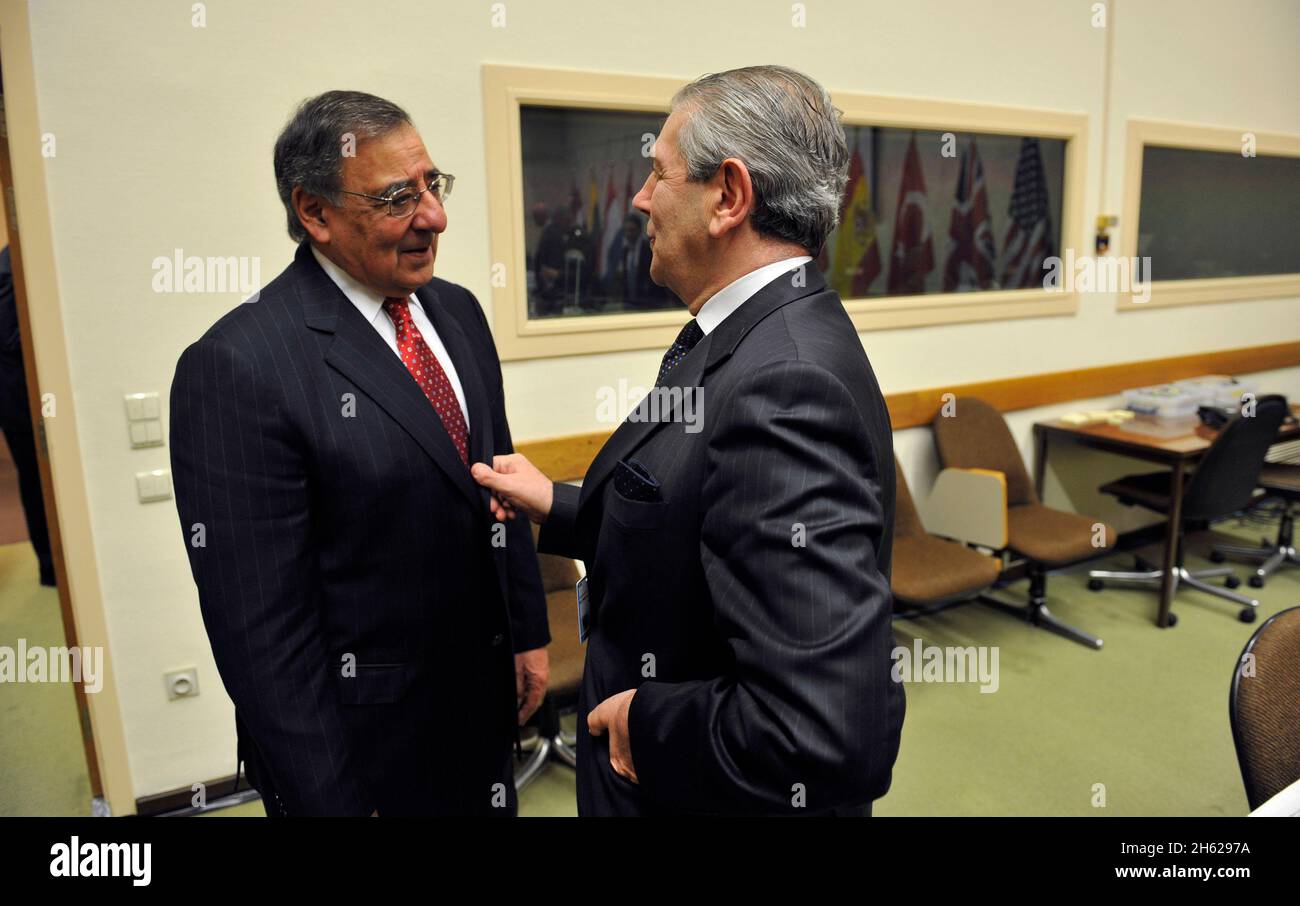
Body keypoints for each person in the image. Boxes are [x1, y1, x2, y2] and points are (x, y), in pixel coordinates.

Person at [473, 66, 904, 816]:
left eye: (657, 172)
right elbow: (694, 515)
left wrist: (644, 721)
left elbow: (828, 731)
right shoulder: (754, 331)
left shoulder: (786, 384)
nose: (639, 198)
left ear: (728, 197)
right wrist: (560, 506)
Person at [170, 91, 549, 817]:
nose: (433, 217)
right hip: (367, 758)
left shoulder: (458, 312)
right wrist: (329, 800)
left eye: (433, 186)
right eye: (396, 199)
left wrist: (527, 634)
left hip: (481, 720)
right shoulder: (239, 366)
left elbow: (497, 486)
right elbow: (262, 634)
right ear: (314, 212)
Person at [0, 246, 54, 587]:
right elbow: (11, 337)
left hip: (23, 390)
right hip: (18, 394)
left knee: (37, 477)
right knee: (35, 476)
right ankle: (50, 566)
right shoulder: (12, 266)